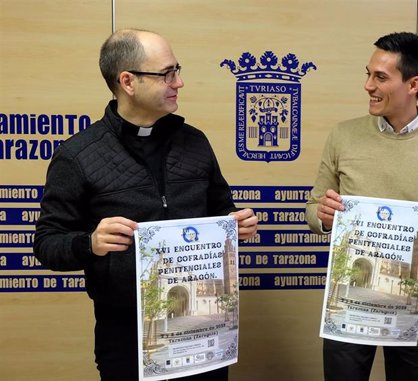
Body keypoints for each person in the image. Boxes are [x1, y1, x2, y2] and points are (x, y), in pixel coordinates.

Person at [33, 29, 258, 381]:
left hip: (203, 330)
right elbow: (47, 243)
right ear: (128, 81)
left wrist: (234, 223)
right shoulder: (77, 156)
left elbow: (221, 208)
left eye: (178, 70)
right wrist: (89, 243)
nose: (179, 82)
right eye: (167, 73)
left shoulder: (195, 143)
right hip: (126, 336)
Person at [305, 31, 418, 381]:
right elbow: (313, 208)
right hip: (350, 294)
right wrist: (323, 217)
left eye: (380, 77)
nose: (368, 85)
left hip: (417, 296)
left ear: (413, 84)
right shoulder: (343, 135)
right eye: (368, 74)